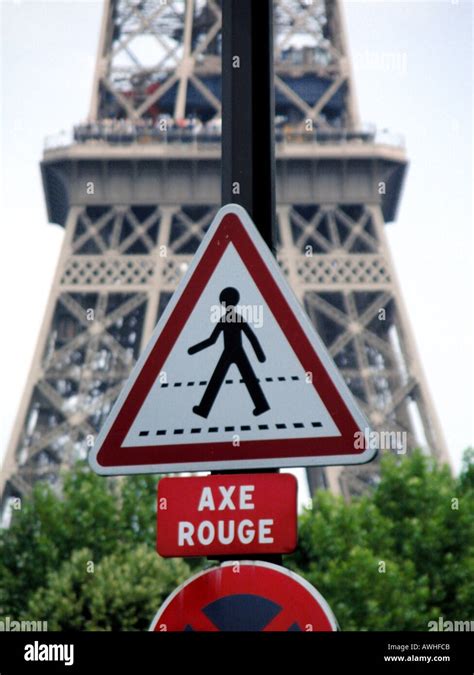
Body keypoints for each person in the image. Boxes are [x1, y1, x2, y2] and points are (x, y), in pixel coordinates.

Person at [188, 287, 270, 418]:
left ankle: (203, 409)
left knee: (217, 379)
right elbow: (251, 337)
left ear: (222, 303)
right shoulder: (238, 318)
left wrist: (194, 349)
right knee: (249, 379)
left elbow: (211, 340)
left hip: (229, 352)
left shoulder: (224, 319)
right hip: (238, 351)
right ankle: (262, 405)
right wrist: (260, 355)